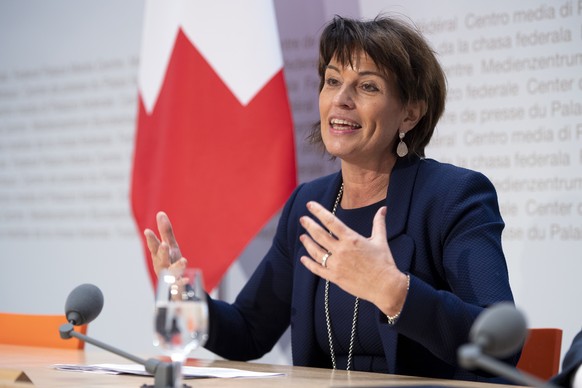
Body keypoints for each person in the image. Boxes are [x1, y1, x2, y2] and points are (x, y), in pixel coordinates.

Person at [144, 14, 516, 383]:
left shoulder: (452, 196)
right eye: (332, 81)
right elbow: (249, 331)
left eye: (367, 87)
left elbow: (500, 345)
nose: (341, 99)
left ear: (410, 114)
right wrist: (183, 294)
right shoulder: (309, 204)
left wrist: (393, 291)